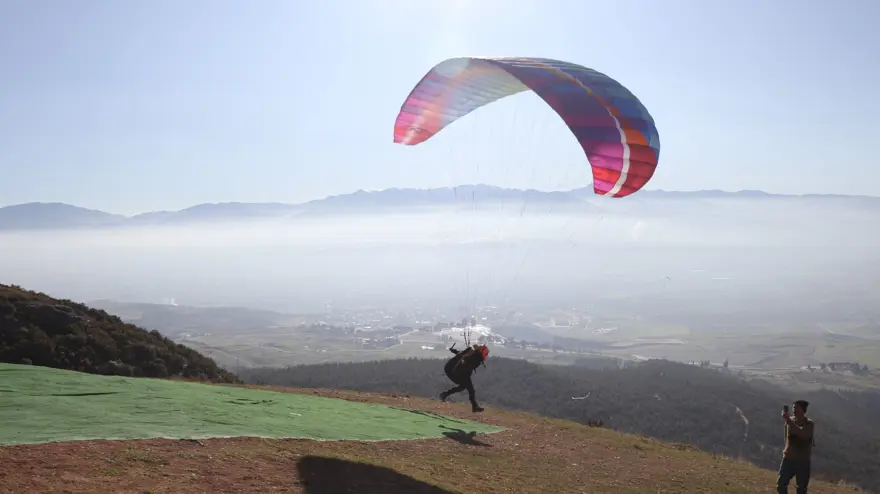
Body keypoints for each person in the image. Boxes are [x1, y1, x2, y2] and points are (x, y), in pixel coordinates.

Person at [777, 400, 815, 494]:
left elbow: (803, 434)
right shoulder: (790, 420)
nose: (794, 409)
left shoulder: (809, 423)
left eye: (796, 407)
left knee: (801, 487)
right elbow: (787, 437)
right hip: (788, 458)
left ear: (802, 410)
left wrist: (788, 420)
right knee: (781, 484)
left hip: (802, 460)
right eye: (793, 407)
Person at [439, 343, 489, 413]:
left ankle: (444, 394)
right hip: (456, 372)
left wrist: (453, 350)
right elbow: (467, 366)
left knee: (463, 387)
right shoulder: (476, 358)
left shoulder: (470, 351)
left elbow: (461, 354)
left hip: (450, 368)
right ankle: (475, 407)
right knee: (470, 389)